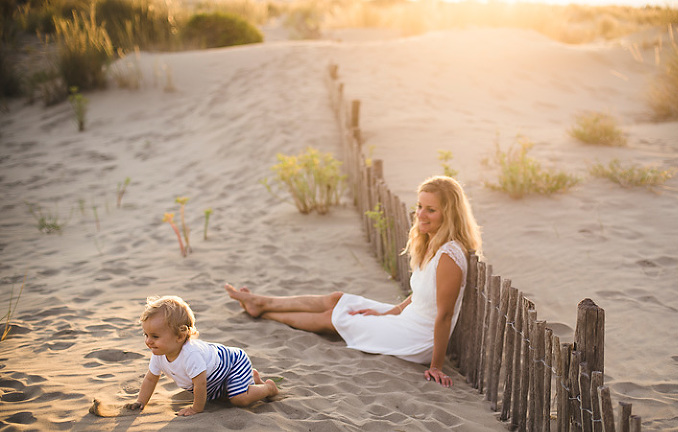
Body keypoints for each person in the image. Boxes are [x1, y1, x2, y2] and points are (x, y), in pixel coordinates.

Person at [225, 175, 482, 388]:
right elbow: (421, 295)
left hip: (417, 337)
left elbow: (445, 315)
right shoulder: (431, 241)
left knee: (333, 318)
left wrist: (435, 365)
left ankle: (266, 313)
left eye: (431, 210)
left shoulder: (449, 255)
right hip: (407, 319)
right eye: (420, 206)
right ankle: (261, 302)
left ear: (448, 214)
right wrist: (388, 312)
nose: (420, 214)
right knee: (337, 299)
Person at [127, 295, 279, 416]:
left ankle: (268, 388)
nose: (148, 341)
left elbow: (200, 385)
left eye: (155, 336)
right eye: (145, 335)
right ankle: (251, 379)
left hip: (232, 364)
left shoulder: (191, 355)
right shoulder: (159, 354)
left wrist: (196, 409)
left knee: (238, 399)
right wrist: (141, 401)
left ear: (180, 336)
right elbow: (150, 378)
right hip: (214, 379)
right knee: (222, 397)